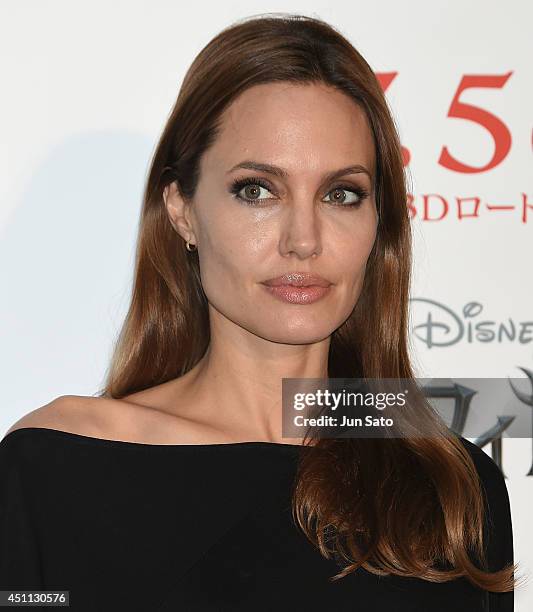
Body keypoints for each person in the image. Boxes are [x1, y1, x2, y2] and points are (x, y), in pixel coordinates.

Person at [0, 13, 517, 611]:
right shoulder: (56, 469)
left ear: (379, 224)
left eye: (341, 194)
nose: (304, 239)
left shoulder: (453, 489)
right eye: (257, 190)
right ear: (182, 209)